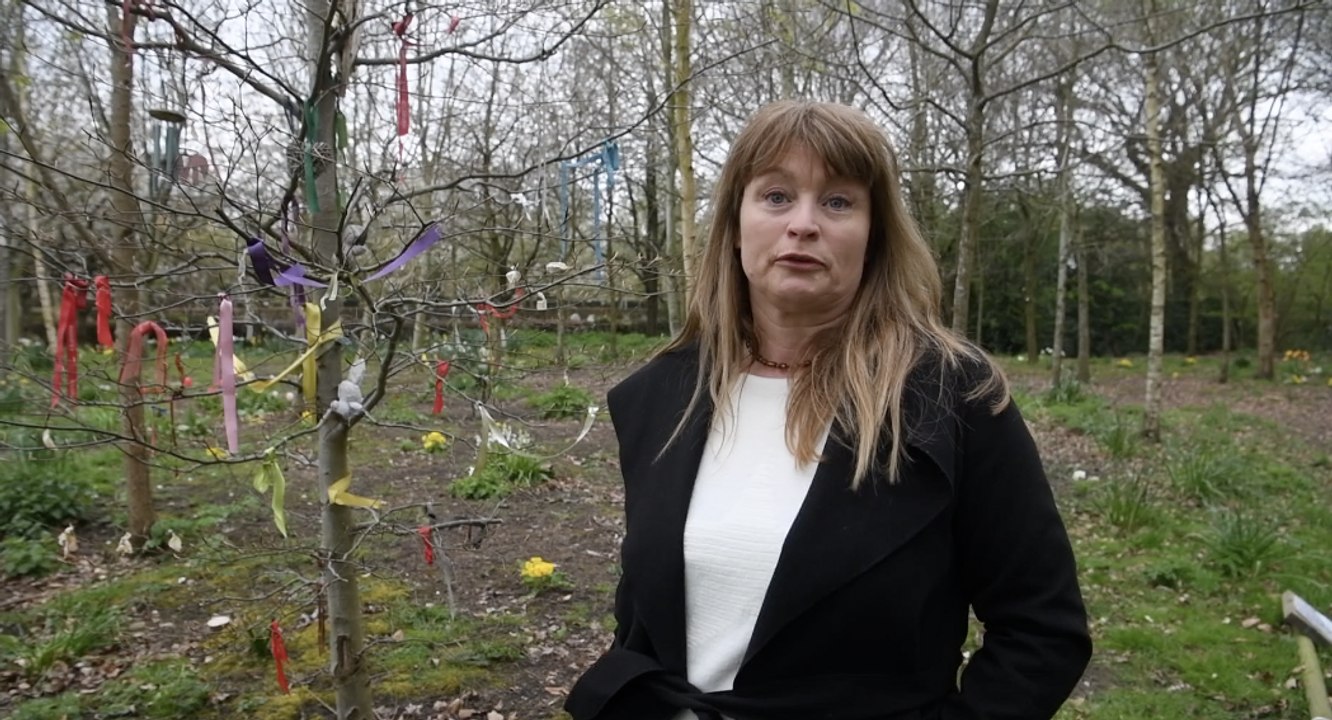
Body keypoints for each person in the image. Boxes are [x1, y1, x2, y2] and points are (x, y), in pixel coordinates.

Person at [564, 100, 1091, 720]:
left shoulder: (948, 397)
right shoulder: (664, 395)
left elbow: (1042, 631)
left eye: (838, 202)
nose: (803, 224)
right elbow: (647, 616)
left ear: (874, 235)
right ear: (735, 225)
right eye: (776, 196)